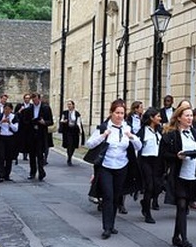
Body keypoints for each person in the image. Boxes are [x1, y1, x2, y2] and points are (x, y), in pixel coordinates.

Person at [85, 99, 142, 239]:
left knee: (117, 197)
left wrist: (132, 137)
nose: (119, 116)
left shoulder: (127, 128)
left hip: (122, 167)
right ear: (111, 113)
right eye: (117, 113)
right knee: (108, 196)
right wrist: (103, 136)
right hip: (106, 167)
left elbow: (139, 146)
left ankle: (112, 224)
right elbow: (89, 144)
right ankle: (106, 227)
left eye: (122, 113)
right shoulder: (104, 127)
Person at [160, 105, 196, 247]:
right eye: (187, 116)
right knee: (182, 206)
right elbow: (163, 154)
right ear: (179, 118)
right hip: (178, 176)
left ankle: (176, 236)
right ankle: (184, 240)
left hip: (193, 175)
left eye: (191, 116)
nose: (190, 119)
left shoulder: (195, 133)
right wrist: (176, 156)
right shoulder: (172, 135)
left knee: (182, 208)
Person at [137, 107, 164, 224]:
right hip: (146, 160)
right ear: (151, 118)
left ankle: (145, 202)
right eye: (158, 116)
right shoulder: (143, 131)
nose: (160, 118)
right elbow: (137, 146)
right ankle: (147, 212)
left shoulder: (160, 130)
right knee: (149, 186)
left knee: (158, 186)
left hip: (158, 161)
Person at [21, 93, 53, 181]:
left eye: (35, 99)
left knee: (39, 154)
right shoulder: (29, 109)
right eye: (33, 100)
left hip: (41, 134)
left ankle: (41, 172)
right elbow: (25, 122)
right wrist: (31, 122)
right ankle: (32, 172)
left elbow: (51, 121)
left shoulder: (46, 108)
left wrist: (44, 122)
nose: (34, 101)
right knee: (32, 155)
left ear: (39, 99)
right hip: (31, 134)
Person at [0, 102, 19, 182]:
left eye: (8, 109)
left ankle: (7, 175)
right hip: (1, 138)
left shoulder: (14, 117)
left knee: (9, 157)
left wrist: (9, 123)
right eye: (5, 109)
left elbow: (16, 129)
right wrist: (1, 122)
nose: (6, 111)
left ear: (11, 110)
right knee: (1, 156)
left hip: (10, 138)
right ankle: (1, 175)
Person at [60, 100, 85, 166]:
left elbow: (79, 122)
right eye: (68, 104)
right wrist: (63, 121)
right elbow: (61, 120)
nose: (69, 106)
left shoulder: (77, 113)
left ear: (73, 105)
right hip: (67, 130)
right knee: (69, 144)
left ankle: (70, 156)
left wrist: (80, 130)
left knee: (73, 145)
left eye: (70, 104)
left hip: (74, 131)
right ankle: (69, 158)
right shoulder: (65, 112)